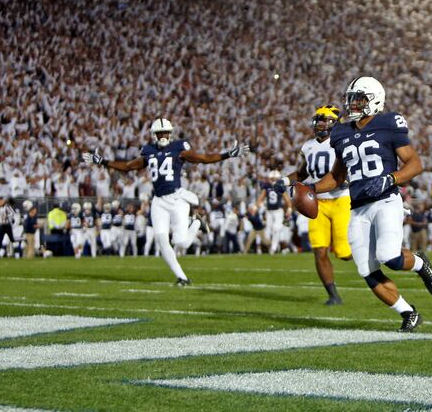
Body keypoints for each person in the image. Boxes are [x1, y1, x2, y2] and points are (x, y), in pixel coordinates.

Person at [307, 76, 432, 332]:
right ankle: (408, 312)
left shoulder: (389, 123)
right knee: (367, 270)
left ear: (374, 99)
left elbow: (415, 164)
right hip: (357, 207)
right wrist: (310, 188)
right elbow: (337, 176)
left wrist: (390, 178)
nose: (353, 104)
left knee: (389, 256)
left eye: (359, 99)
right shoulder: (342, 132)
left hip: (386, 199)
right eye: (351, 99)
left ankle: (421, 263)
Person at [83, 118, 248, 285]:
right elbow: (127, 166)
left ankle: (196, 223)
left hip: (176, 199)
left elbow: (202, 158)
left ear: (170, 133)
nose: (163, 135)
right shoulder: (148, 150)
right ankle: (182, 278)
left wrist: (228, 154)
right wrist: (102, 161)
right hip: (158, 201)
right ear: (154, 135)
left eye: (166, 132)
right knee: (162, 241)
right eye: (160, 133)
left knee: (181, 243)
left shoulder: (179, 147)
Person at [275, 105, 351, 305]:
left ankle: (380, 248)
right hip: (318, 202)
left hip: (341, 198)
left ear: (336, 122)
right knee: (319, 250)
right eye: (318, 119)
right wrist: (283, 181)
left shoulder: (342, 143)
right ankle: (333, 295)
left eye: (325, 120)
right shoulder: (308, 146)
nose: (321, 124)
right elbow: (301, 174)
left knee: (344, 253)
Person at [256, 170, 292, 255]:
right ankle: (275, 246)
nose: (273, 181)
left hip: (278, 211)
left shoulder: (280, 187)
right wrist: (258, 206)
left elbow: (287, 199)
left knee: (276, 229)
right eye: (272, 179)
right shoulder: (266, 187)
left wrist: (289, 209)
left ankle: (273, 248)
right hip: (269, 212)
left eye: (275, 179)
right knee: (268, 232)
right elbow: (260, 198)